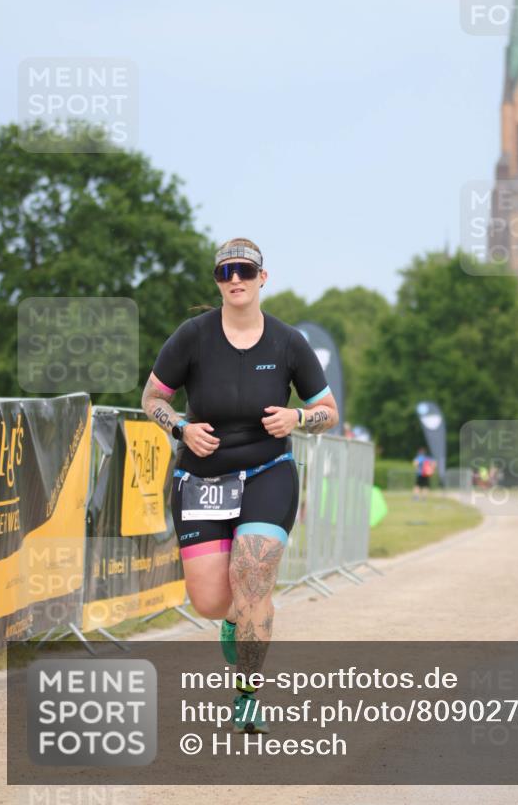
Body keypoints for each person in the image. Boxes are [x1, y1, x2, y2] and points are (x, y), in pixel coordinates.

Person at [141, 238, 339, 733]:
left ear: (261, 278)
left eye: (245, 271)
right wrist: (180, 428)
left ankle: (247, 694)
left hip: (268, 470)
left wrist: (297, 418)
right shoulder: (192, 336)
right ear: (217, 281)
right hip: (201, 476)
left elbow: (328, 411)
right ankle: (236, 619)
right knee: (211, 600)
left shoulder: (288, 342)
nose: (235, 279)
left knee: (253, 573)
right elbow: (152, 398)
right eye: (225, 272)